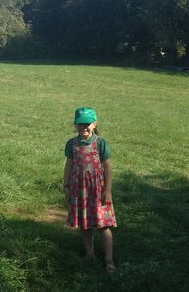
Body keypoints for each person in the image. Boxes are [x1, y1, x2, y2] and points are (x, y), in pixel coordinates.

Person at [63, 107, 117, 274]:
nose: (83, 127)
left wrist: (107, 190)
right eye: (80, 124)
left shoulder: (100, 143)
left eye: (87, 124)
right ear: (75, 125)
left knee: (103, 225)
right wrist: (66, 186)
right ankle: (90, 254)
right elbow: (69, 165)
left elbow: (107, 168)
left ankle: (109, 259)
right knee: (85, 225)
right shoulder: (72, 144)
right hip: (80, 191)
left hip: (98, 190)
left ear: (95, 124)